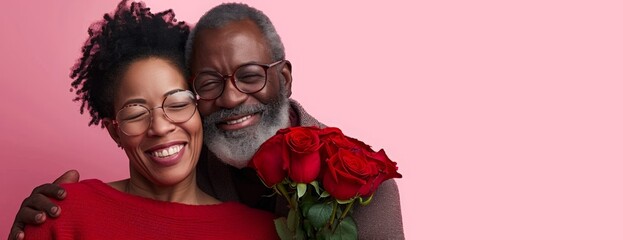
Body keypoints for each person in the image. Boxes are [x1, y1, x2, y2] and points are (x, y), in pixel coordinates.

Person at [10, 3, 404, 240]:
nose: (232, 97)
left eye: (250, 75)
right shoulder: (181, 157)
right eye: (210, 83)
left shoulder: (362, 186)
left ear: (283, 78)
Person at [20, 1, 278, 239]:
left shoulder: (263, 230)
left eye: (178, 104)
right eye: (136, 114)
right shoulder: (63, 214)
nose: (160, 127)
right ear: (114, 131)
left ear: (199, 111)